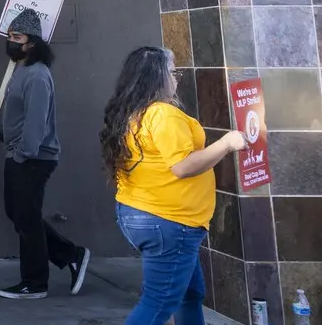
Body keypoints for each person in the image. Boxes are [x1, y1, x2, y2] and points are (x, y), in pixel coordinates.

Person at [99, 46, 247, 325]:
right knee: (160, 302)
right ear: (156, 77)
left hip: (144, 214)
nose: (176, 77)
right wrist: (227, 143)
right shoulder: (164, 115)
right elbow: (183, 166)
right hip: (169, 220)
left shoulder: (132, 112)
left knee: (190, 294)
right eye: (172, 71)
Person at [0, 8, 90, 300]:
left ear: (33, 43)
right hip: (20, 154)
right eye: (9, 36)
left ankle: (35, 282)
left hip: (33, 158)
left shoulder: (38, 76)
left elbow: (35, 123)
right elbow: (18, 117)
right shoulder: (22, 70)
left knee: (26, 218)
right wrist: (0, 135)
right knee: (18, 214)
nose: (11, 41)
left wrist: (21, 155)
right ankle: (71, 254)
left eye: (17, 37)